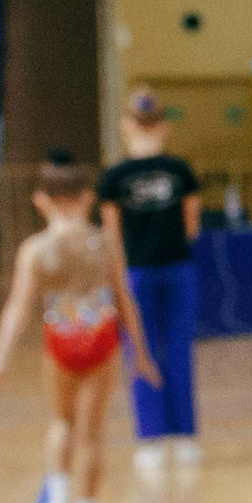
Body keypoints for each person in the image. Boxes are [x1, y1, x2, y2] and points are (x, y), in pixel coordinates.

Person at [0, 154, 159, 503]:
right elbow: (125, 302)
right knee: (92, 432)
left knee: (63, 421)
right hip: (100, 338)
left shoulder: (34, 250)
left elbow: (18, 306)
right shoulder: (105, 243)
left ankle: (59, 492)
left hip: (60, 338)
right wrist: (140, 354)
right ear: (88, 197)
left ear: (42, 200)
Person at [97, 87, 204, 477]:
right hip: (142, 273)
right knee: (140, 351)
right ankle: (153, 438)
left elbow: (191, 224)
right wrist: (120, 278)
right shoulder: (115, 177)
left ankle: (181, 435)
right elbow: (112, 237)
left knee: (176, 349)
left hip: (173, 269)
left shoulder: (179, 170)